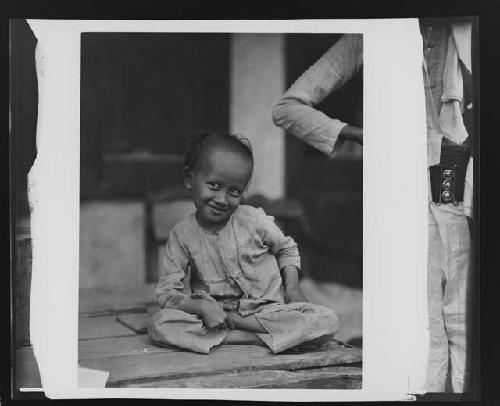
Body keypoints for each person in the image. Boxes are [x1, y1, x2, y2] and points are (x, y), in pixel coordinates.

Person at [272, 27, 473, 393]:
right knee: (418, 315)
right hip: (401, 188)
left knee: (462, 310)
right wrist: (358, 134)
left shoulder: (468, 29)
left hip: (461, 177)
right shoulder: (366, 38)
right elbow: (288, 109)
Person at [148, 132, 339, 354]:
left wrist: (293, 288)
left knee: (326, 319)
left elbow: (287, 249)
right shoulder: (181, 235)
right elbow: (167, 293)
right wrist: (201, 307)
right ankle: (267, 339)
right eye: (213, 185)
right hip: (214, 314)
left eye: (234, 191)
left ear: (243, 192)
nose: (222, 199)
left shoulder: (255, 220)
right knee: (159, 323)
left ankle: (237, 334)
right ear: (190, 179)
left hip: (268, 313)